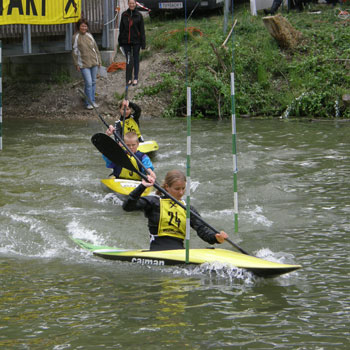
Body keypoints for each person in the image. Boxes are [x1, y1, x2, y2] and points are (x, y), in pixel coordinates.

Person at [122, 170, 228, 251]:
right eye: (177, 189)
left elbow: (202, 230)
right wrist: (142, 186)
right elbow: (127, 206)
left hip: (178, 252)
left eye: (183, 188)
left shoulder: (187, 209)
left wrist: (216, 237)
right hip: (157, 251)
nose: (181, 192)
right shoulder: (154, 202)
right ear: (167, 187)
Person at [72, 18, 102, 110]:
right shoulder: (75, 37)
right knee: (88, 83)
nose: (84, 28)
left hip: (94, 62)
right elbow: (74, 51)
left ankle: (92, 101)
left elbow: (96, 49)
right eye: (82, 26)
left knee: (93, 82)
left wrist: (99, 61)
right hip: (83, 64)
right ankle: (88, 103)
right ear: (79, 27)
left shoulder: (89, 35)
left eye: (85, 26)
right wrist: (76, 64)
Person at [118, 0, 146, 86]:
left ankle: (136, 77)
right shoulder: (124, 15)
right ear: (128, 4)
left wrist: (143, 42)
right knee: (129, 60)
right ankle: (129, 78)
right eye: (130, 3)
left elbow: (142, 30)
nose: (131, 5)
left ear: (135, 4)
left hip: (136, 41)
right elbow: (121, 29)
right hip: (126, 41)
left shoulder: (139, 15)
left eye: (133, 3)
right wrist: (120, 41)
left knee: (136, 59)